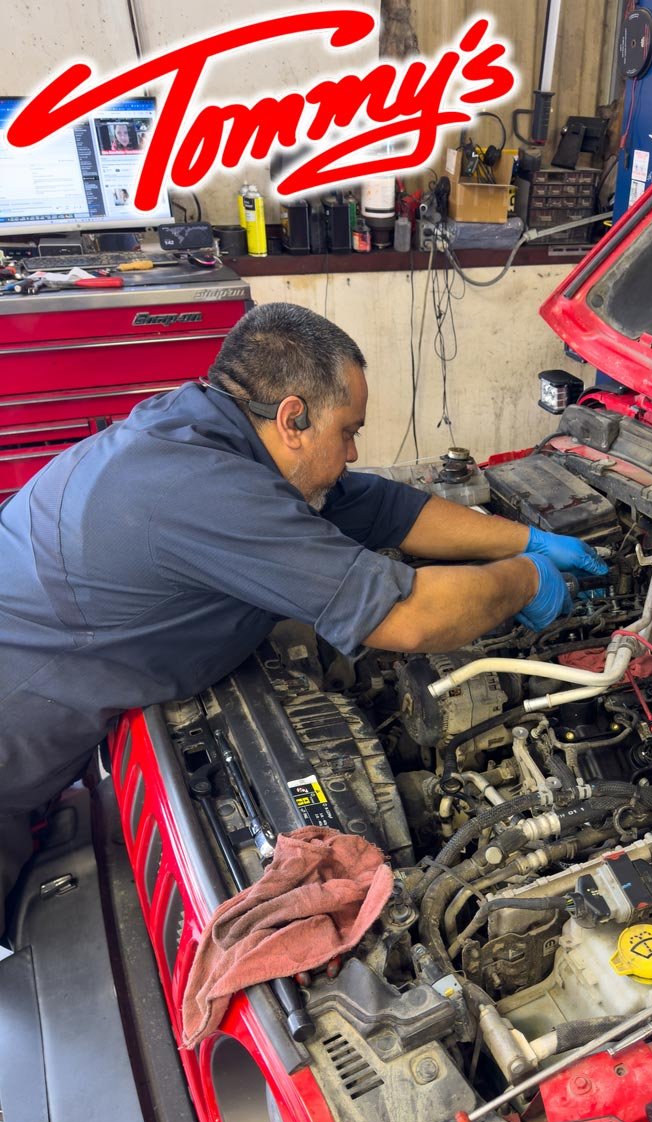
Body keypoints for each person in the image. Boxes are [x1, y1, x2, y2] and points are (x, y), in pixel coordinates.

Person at [0, 302, 606, 911]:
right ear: (293, 418)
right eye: (348, 431)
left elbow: (383, 508)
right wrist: (527, 580)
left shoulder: (210, 434)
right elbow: (410, 614)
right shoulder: (201, 489)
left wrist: (526, 538)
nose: (350, 452)